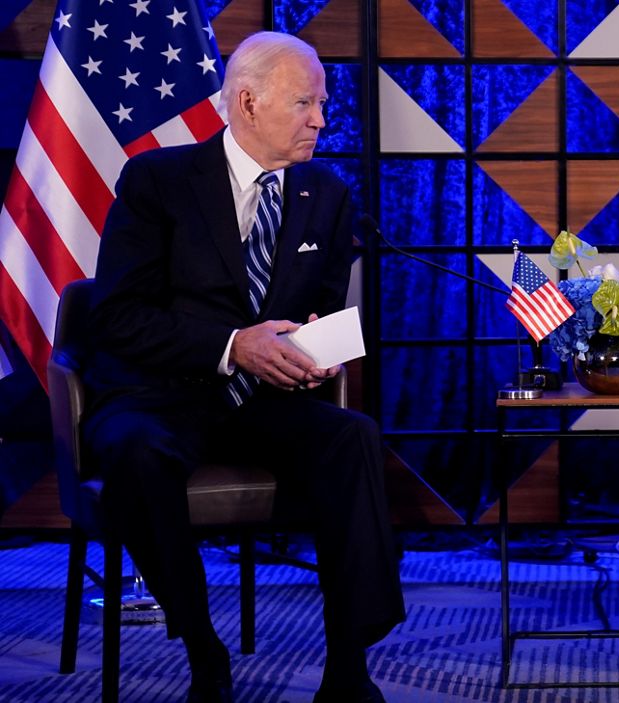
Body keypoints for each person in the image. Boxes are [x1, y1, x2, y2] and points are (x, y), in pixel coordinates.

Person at [83, 32, 404, 703]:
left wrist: (314, 353)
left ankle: (349, 667)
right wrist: (233, 343)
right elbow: (116, 317)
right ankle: (204, 650)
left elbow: (318, 312)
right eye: (305, 103)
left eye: (322, 103)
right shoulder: (157, 181)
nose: (321, 120)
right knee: (134, 449)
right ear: (248, 103)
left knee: (354, 437)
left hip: (264, 401)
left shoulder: (326, 193)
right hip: (157, 396)